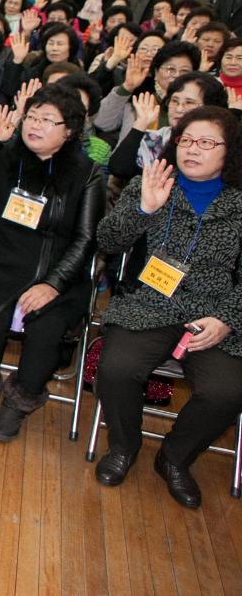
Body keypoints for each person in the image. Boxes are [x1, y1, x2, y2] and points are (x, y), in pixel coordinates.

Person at [93, 107, 242, 508]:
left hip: (212, 314)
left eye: (207, 142)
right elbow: (108, 240)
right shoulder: (153, 181)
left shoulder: (239, 203)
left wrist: (226, 320)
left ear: (230, 151)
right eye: (187, 140)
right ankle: (124, 447)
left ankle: (174, 457)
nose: (193, 149)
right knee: (115, 369)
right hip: (150, 304)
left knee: (227, 391)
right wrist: (144, 208)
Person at [0, 85, 104, 440]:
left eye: (48, 120)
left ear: (69, 132)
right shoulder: (6, 153)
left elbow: (85, 240)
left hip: (55, 270)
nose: (35, 125)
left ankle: (19, 403)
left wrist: (52, 284)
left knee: (47, 331)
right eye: (31, 117)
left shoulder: (86, 174)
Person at [108, 72, 227, 181]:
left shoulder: (219, 143)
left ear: (210, 108)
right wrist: (141, 123)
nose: (179, 109)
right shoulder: (153, 139)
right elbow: (119, 170)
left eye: (189, 102)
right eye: (174, 101)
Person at [95, 40, 199, 141]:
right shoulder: (139, 100)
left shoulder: (198, 106)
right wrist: (126, 87)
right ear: (156, 72)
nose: (177, 75)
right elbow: (101, 122)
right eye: (170, 69)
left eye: (184, 71)